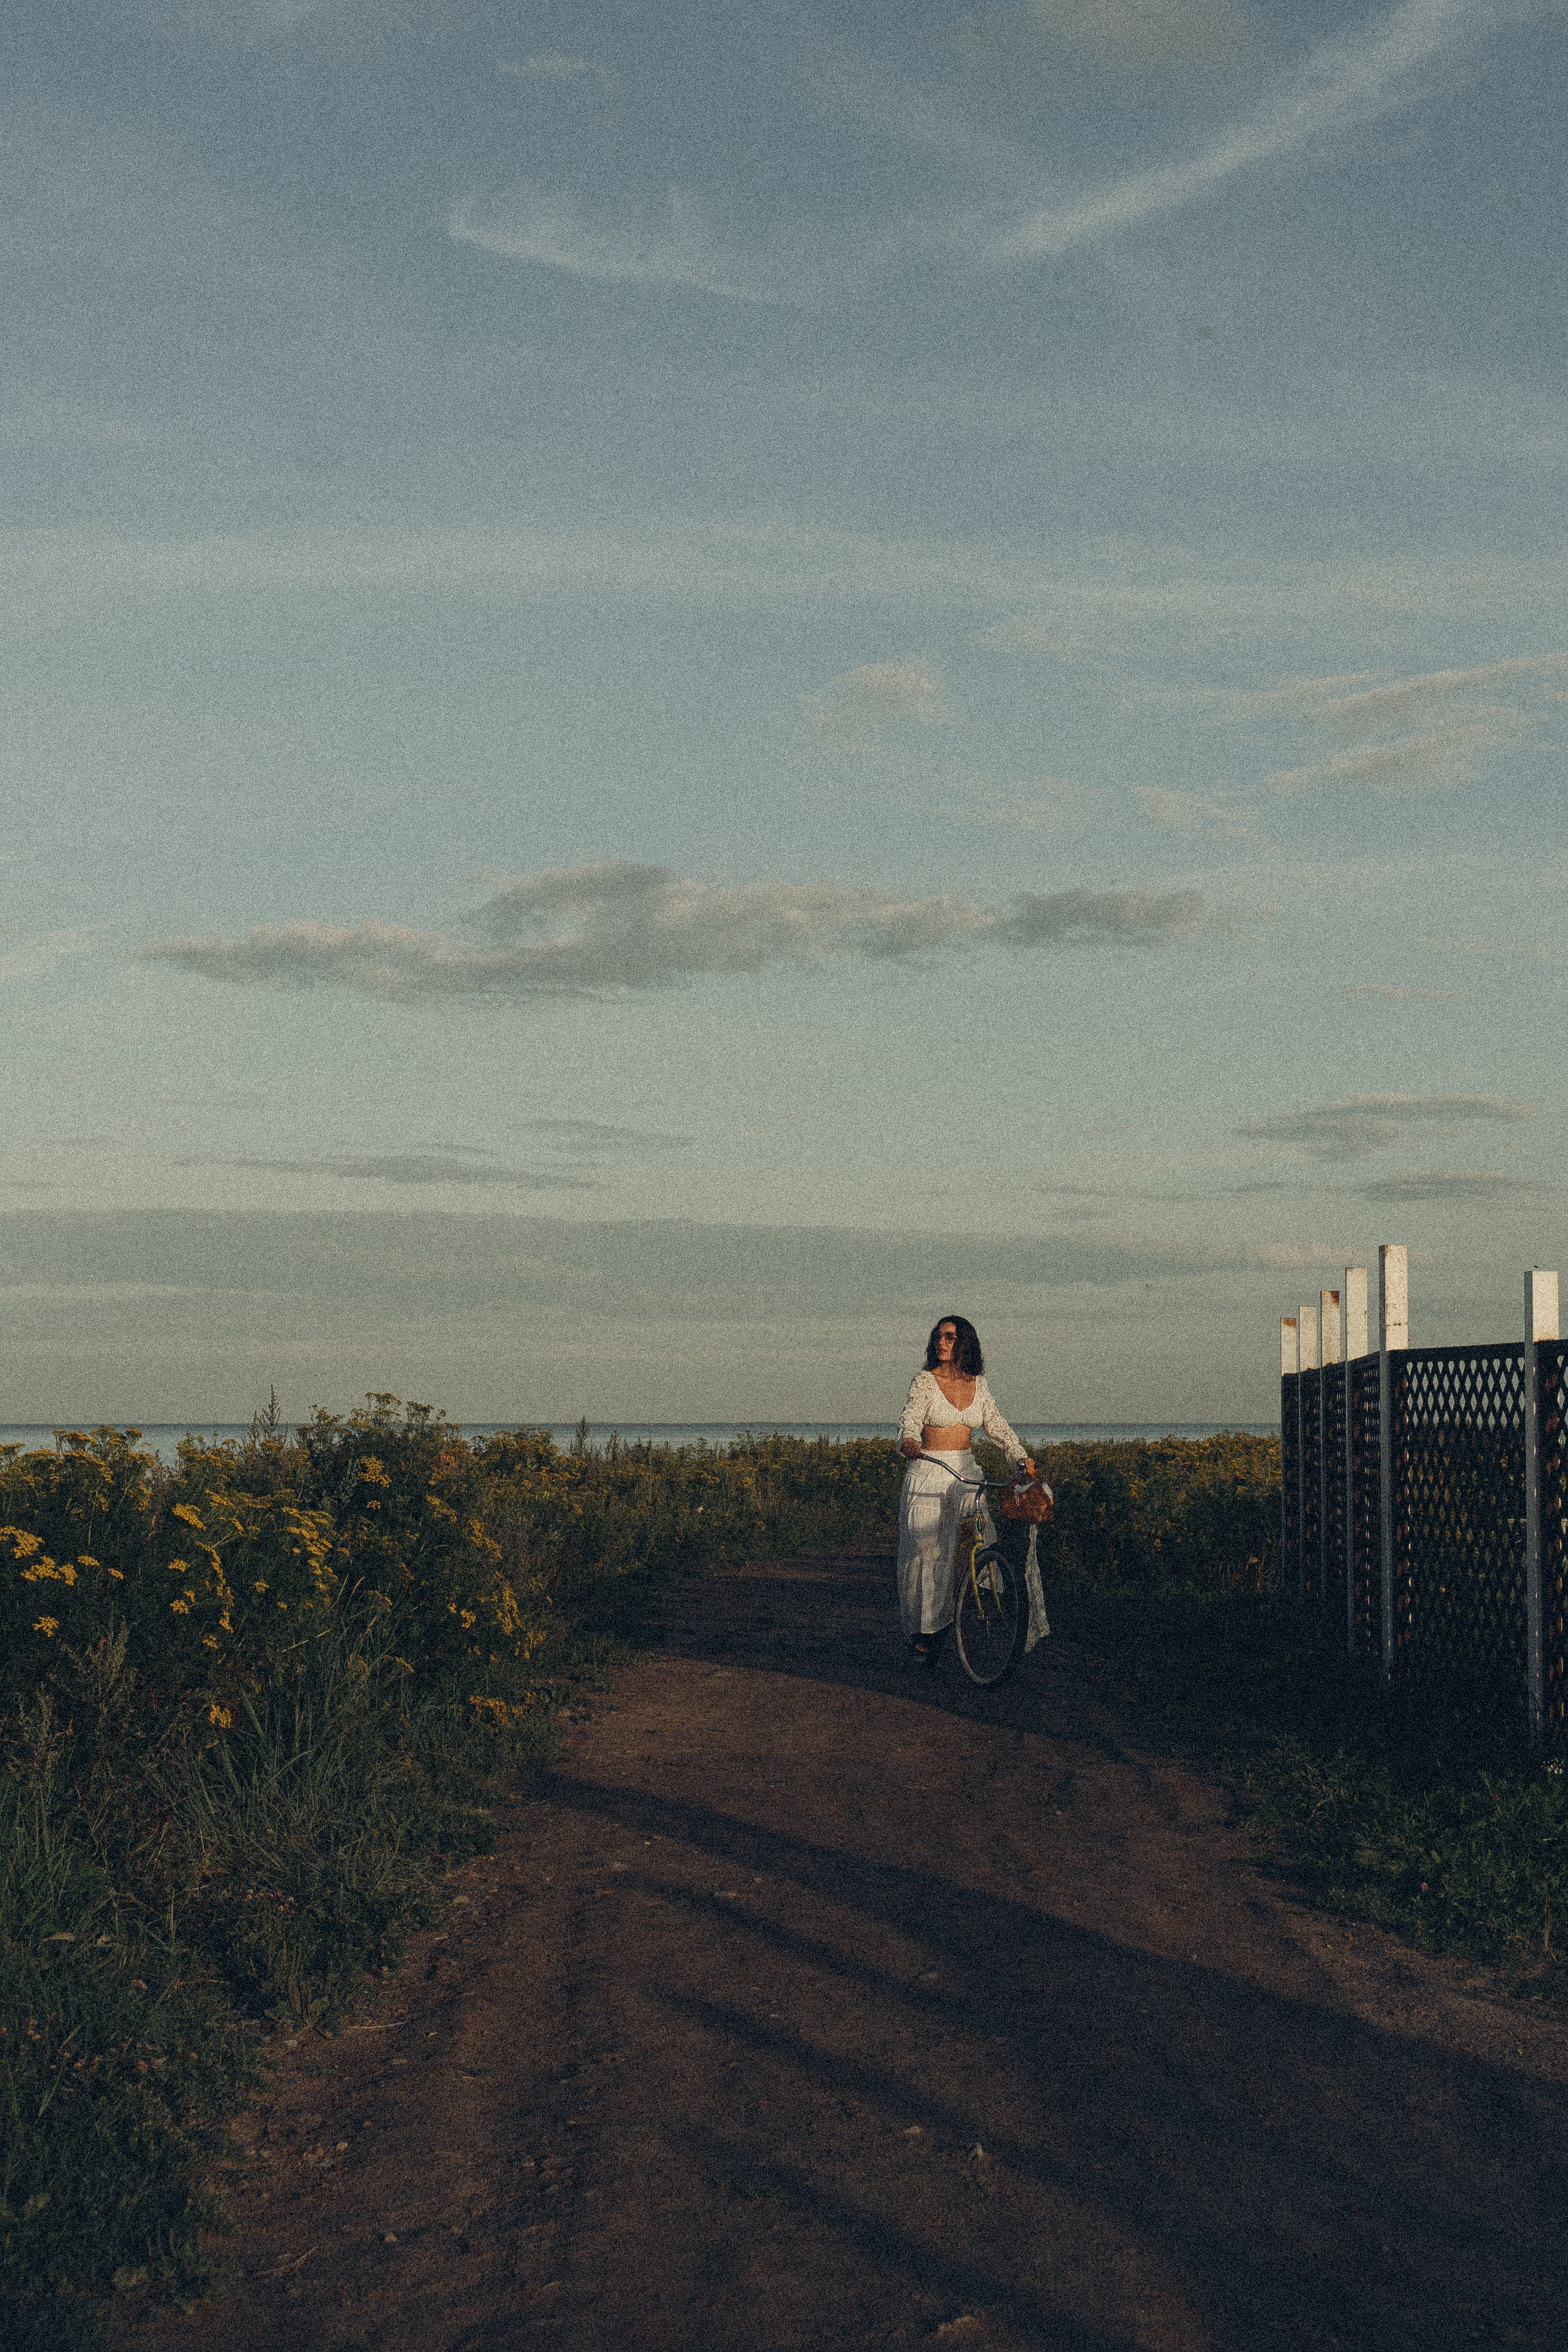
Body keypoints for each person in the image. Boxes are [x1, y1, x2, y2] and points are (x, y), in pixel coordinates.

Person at [896, 1315, 1035, 1666]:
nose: (941, 1342)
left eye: (950, 1337)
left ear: (965, 1343)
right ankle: (923, 1632)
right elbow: (910, 1418)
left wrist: (1019, 1456)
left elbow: (997, 1424)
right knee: (925, 1553)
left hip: (965, 1471)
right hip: (929, 1470)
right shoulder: (925, 1381)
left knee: (983, 1537)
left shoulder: (979, 1385)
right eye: (939, 1337)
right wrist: (908, 1441)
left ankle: (972, 1608)